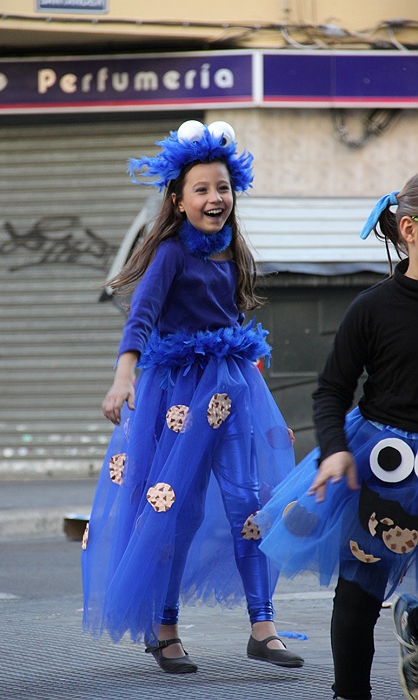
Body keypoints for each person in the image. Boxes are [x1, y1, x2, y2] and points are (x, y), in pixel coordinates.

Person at [81, 119, 304, 674]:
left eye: (222, 187)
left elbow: (234, 321)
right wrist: (123, 376)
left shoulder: (234, 251)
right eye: (201, 189)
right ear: (179, 201)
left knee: (248, 502)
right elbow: (141, 317)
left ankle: (263, 626)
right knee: (175, 508)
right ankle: (165, 628)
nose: (214, 198)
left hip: (231, 388)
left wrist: (257, 394)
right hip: (179, 394)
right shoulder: (170, 254)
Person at [256, 173, 418, 700]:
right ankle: (350, 693)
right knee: (357, 597)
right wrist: (333, 451)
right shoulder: (372, 308)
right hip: (385, 468)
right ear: (410, 229)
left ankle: (414, 638)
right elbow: (331, 390)